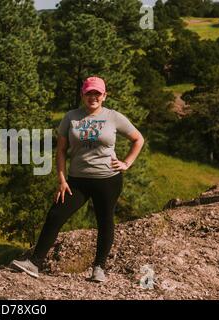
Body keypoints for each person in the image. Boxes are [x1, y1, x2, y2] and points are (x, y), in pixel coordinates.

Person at [10, 76, 145, 282]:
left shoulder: (114, 117)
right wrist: (61, 179)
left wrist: (126, 163)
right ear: (82, 94)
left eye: (97, 93)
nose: (93, 97)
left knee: (105, 221)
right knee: (56, 215)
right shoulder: (71, 117)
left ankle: (99, 268)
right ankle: (34, 263)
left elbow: (138, 139)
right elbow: (61, 151)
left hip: (107, 179)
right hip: (76, 180)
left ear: (104, 96)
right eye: (89, 93)